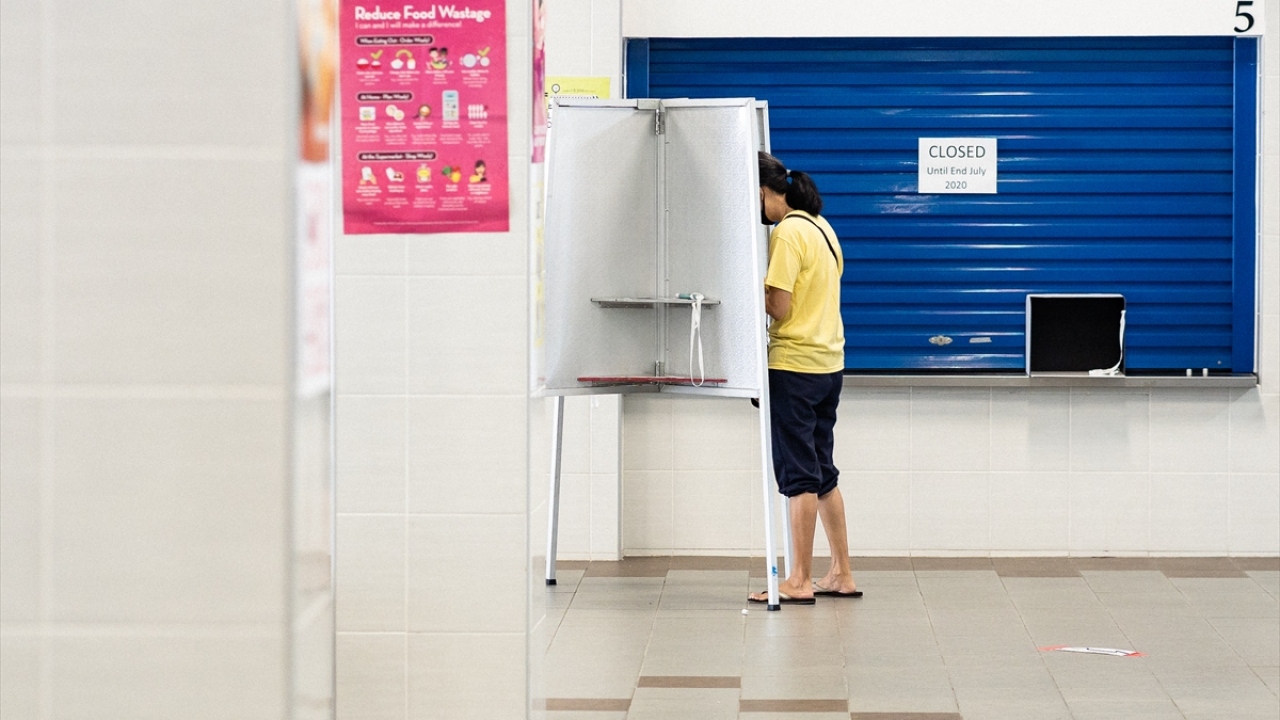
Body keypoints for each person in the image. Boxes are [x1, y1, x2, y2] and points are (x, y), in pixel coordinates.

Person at [749, 152, 861, 605]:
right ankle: (841, 573)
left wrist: (750, 288)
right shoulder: (822, 226)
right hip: (828, 365)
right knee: (823, 473)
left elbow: (781, 306)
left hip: (794, 367)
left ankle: (798, 579)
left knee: (800, 477)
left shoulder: (788, 233)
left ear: (762, 193)